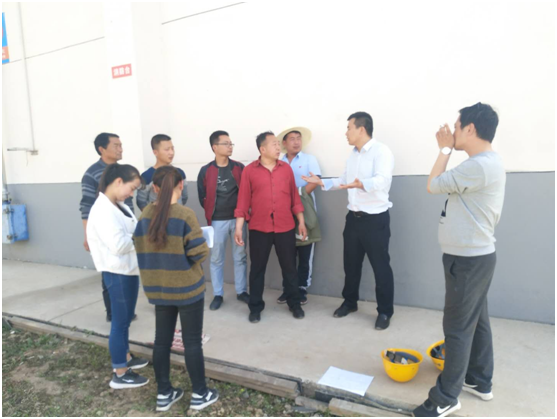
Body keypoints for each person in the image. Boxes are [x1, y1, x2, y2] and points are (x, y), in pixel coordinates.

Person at [413, 103, 505, 417]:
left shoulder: (478, 166)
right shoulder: (485, 163)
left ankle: (446, 397)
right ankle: (479, 380)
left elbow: (433, 184)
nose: (452, 132)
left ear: (470, 128)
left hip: (467, 260)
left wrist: (444, 149)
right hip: (474, 257)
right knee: (476, 320)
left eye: (456, 127)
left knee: (457, 328)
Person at [134, 166, 219, 412]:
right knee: (192, 342)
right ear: (181, 186)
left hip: (158, 288)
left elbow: (138, 245)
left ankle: (164, 393)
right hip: (186, 288)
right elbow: (198, 252)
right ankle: (200, 394)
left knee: (161, 341)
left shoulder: (145, 215)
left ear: (155, 188)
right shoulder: (185, 215)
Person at [302, 112, 395, 330]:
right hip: (353, 219)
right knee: (351, 265)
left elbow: (382, 181)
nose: (346, 133)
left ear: (361, 129)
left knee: (381, 267)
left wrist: (361, 184)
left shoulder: (381, 151)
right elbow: (344, 180)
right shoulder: (353, 155)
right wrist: (321, 183)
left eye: (348, 128)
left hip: (375, 220)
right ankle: (350, 302)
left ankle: (384, 311)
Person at [86, 163, 149, 389]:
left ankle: (126, 356)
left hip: (127, 269)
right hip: (117, 272)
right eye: (131, 188)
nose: (131, 194)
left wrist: (138, 234)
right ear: (118, 181)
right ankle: (120, 373)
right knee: (120, 322)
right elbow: (120, 245)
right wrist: (142, 235)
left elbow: (130, 233)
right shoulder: (103, 209)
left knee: (125, 319)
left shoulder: (118, 205)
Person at [234, 131, 307, 323]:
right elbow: (243, 201)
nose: (278, 147)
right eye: (274, 144)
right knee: (257, 269)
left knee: (290, 268)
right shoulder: (249, 171)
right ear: (262, 149)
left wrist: (301, 221)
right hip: (259, 227)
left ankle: (294, 304)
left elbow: (294, 198)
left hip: (285, 226)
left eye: (278, 144)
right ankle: (255, 307)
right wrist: (239, 227)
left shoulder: (286, 169)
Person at [80, 132, 136, 322]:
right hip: (107, 231)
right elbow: (86, 205)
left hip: (126, 226)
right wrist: (87, 235)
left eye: (121, 145)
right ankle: (113, 313)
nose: (120, 149)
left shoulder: (123, 171)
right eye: (116, 145)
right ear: (102, 149)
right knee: (110, 271)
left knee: (126, 268)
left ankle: (126, 310)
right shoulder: (92, 174)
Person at [197, 130, 249, 311]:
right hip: (217, 221)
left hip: (238, 220)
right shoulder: (206, 171)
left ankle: (241, 291)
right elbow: (202, 197)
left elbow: (246, 192)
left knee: (240, 257)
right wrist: (213, 213)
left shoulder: (239, 168)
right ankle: (218, 294)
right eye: (226, 143)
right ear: (215, 147)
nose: (230, 146)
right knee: (216, 258)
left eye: (230, 143)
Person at [277, 127, 322, 305]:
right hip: (283, 211)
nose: (296, 142)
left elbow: (315, 180)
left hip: (305, 210)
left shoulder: (309, 159)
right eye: (292, 139)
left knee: (305, 250)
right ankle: (288, 287)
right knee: (286, 251)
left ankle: (302, 287)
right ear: (284, 143)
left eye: (299, 138)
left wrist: (297, 195)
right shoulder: (279, 161)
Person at [137, 134, 188, 211]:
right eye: (167, 149)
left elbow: (184, 197)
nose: (171, 152)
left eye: (172, 149)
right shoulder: (147, 176)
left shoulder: (180, 173)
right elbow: (141, 202)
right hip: (156, 217)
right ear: (155, 152)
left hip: (178, 215)